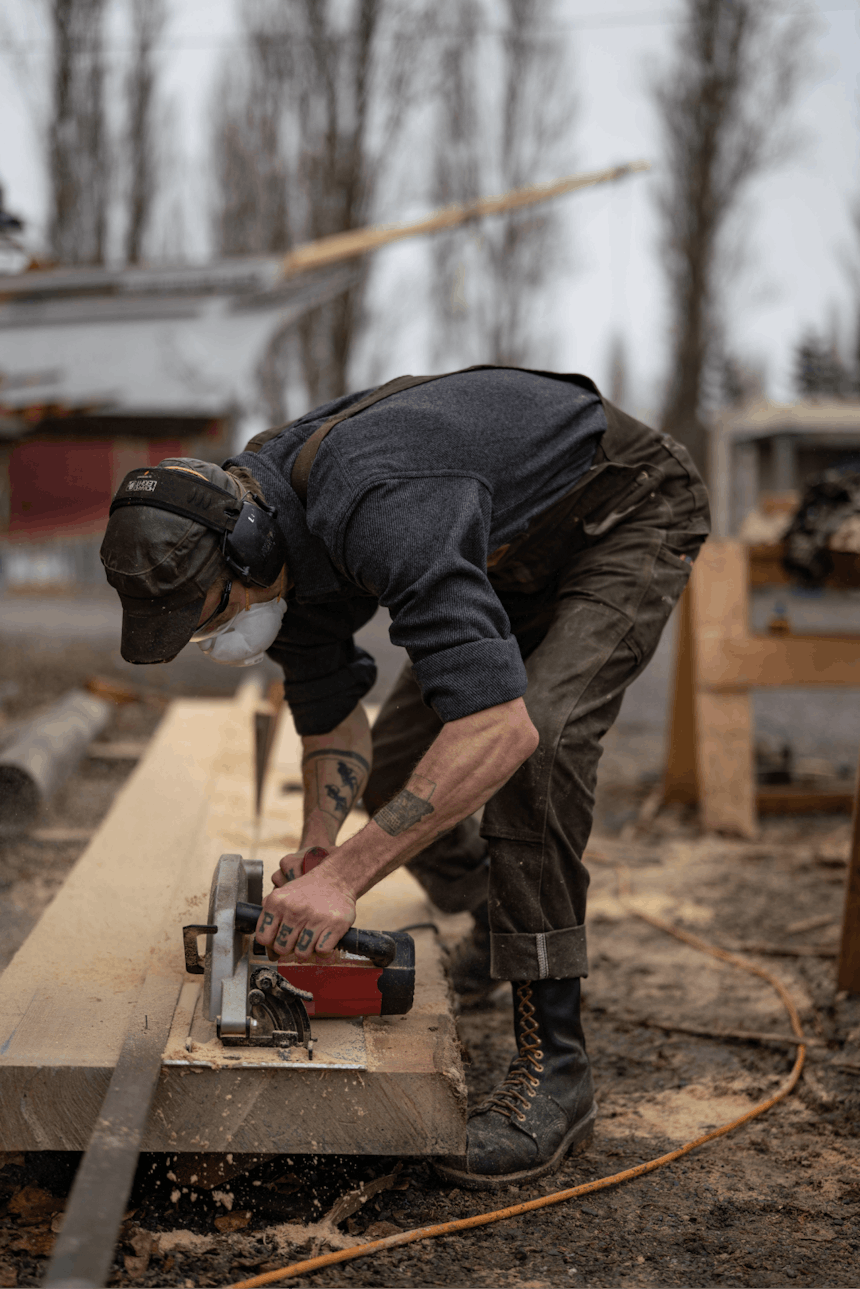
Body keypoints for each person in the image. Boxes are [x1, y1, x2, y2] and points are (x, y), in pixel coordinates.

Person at [100, 365, 709, 1190]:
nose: (216, 638)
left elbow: (500, 729)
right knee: (396, 769)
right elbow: (330, 720)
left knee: (543, 746)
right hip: (505, 541)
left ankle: (556, 1070)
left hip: (619, 511)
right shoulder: (266, 523)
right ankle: (502, 926)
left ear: (246, 549)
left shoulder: (378, 500)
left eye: (209, 615)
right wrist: (320, 850)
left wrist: (353, 875)